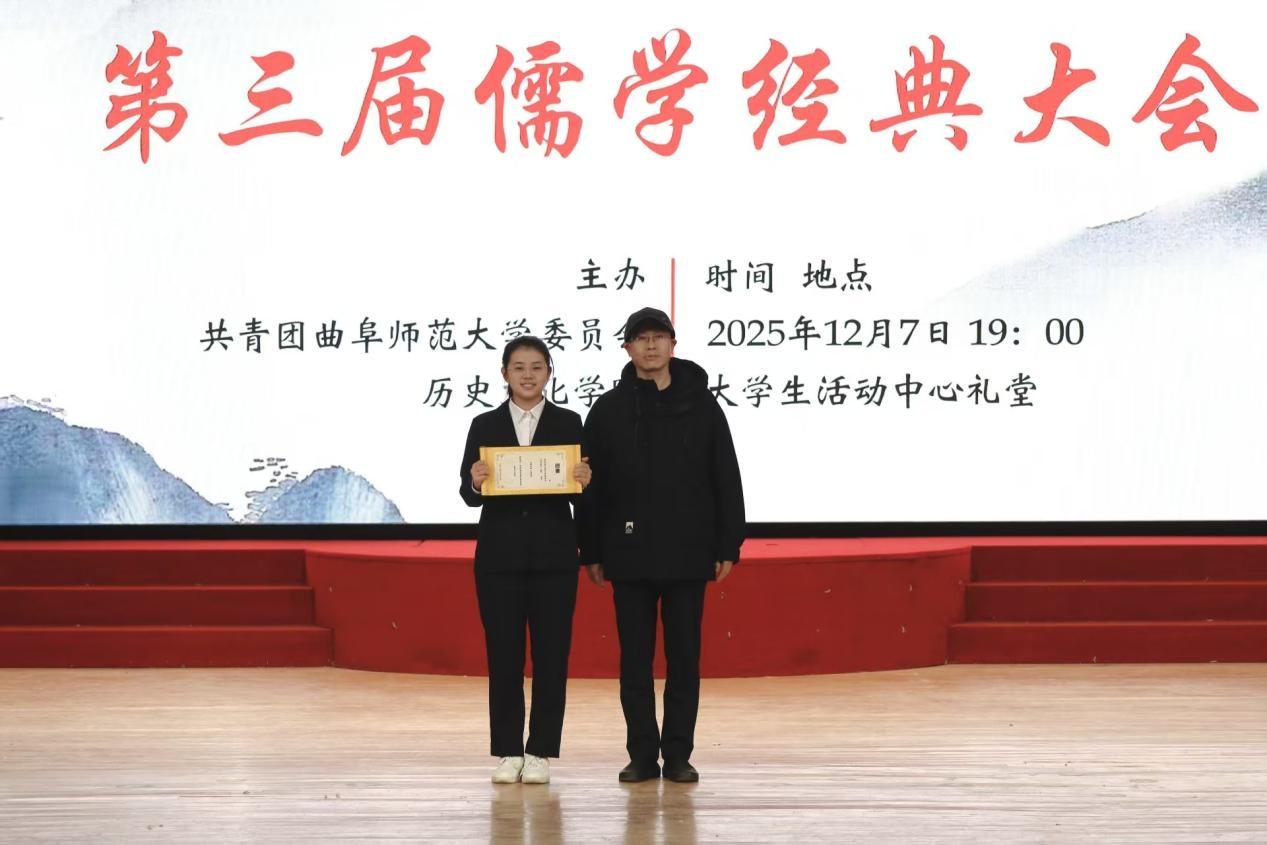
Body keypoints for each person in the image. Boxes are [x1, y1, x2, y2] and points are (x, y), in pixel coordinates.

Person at [580, 307, 745, 784]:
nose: (650, 346)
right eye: (641, 338)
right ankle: (640, 754)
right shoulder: (608, 410)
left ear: (673, 344)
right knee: (634, 661)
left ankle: (677, 754)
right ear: (627, 348)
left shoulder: (703, 404)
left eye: (659, 337)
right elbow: (590, 487)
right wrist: (590, 550)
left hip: (688, 551)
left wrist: (728, 543)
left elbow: (725, 474)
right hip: (627, 552)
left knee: (684, 659)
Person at [459, 336, 592, 785]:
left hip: (555, 557)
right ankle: (509, 750)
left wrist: (586, 480)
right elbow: (468, 494)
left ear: (549, 373)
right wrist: (475, 481)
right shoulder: (484, 425)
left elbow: (583, 496)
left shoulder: (569, 422)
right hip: (499, 559)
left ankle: (540, 751)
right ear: (505, 374)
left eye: (537, 367)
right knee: (504, 657)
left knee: (552, 657)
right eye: (519, 367)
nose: (528, 375)